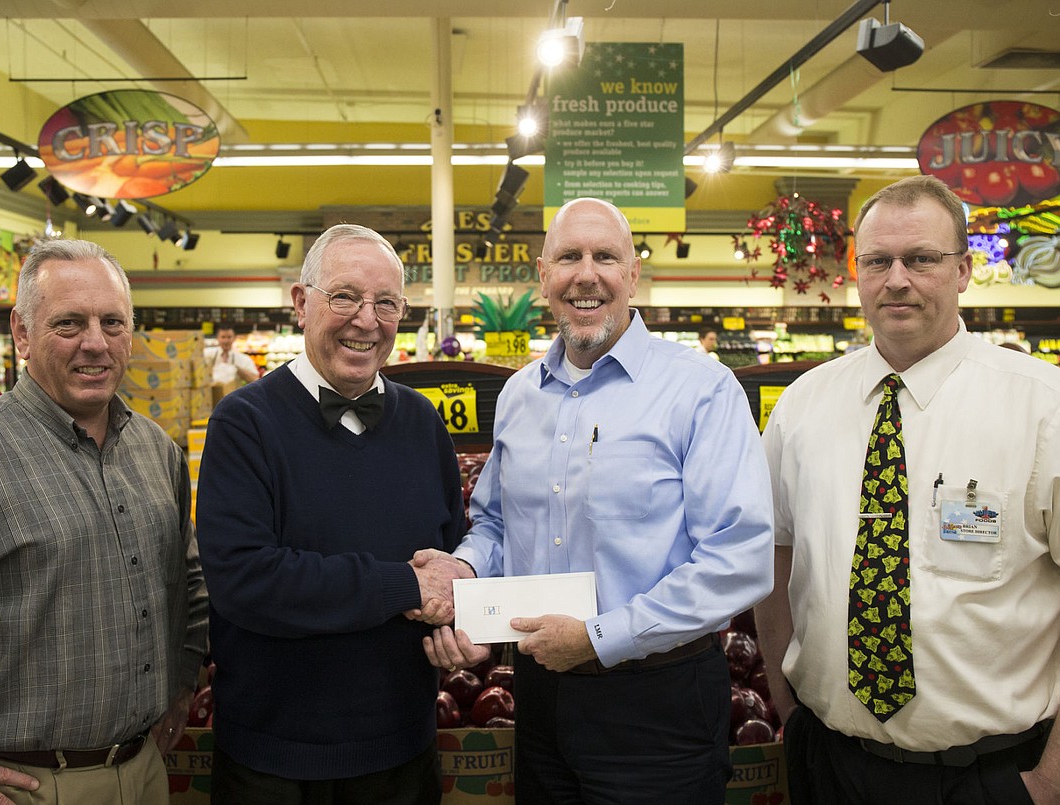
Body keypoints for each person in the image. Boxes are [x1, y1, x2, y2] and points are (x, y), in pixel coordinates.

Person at [418, 197, 776, 804]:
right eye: (568, 258)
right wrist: (467, 577)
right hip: (540, 697)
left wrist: (603, 637)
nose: (587, 275)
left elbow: (738, 559)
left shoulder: (701, 390)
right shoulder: (519, 395)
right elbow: (499, 527)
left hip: (659, 701)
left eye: (605, 256)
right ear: (543, 276)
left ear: (633, 274)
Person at [755, 174, 1060, 805]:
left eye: (921, 259)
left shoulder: (1042, 408)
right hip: (832, 764)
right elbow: (777, 553)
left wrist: (1047, 782)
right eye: (877, 261)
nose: (897, 279)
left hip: (994, 775)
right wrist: (790, 705)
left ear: (964, 270)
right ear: (857, 271)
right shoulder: (802, 407)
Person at [0, 238, 209, 804]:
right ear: (21, 333)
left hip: (143, 775)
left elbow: (185, 583)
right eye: (69, 323)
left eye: (113, 323)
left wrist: (183, 682)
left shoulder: (157, 452)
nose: (96, 343)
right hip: (9, 787)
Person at [195, 224, 468, 805]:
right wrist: (403, 584)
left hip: (403, 754)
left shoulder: (422, 423)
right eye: (344, 296)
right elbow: (246, 580)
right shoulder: (244, 424)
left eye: (386, 303)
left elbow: (452, 555)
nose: (366, 320)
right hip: (273, 764)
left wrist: (465, 621)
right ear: (301, 302)